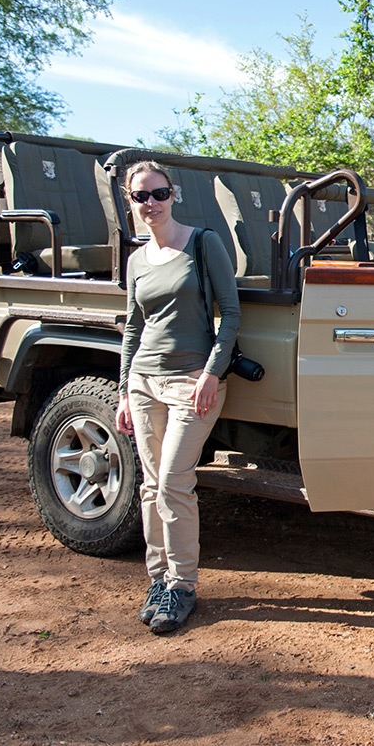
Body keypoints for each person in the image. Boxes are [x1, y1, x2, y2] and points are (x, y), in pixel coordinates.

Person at [115, 161, 240, 634]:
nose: (151, 204)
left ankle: (183, 586)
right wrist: (125, 389)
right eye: (140, 196)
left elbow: (229, 315)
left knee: (172, 482)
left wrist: (212, 373)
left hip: (191, 383)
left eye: (159, 194)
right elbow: (133, 327)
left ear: (174, 195)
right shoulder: (136, 260)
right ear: (129, 200)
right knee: (149, 485)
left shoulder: (203, 243)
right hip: (145, 383)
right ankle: (158, 580)